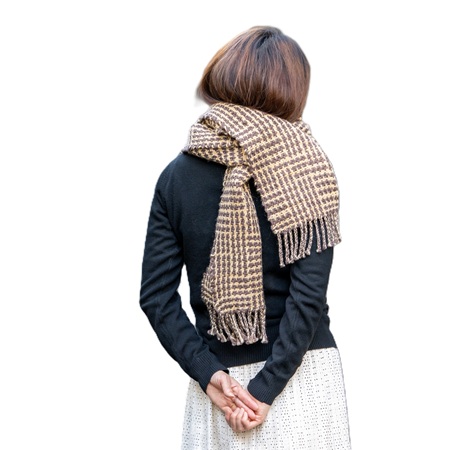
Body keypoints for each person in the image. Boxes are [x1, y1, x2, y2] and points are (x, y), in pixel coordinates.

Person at [140, 25, 351, 449]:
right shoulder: (308, 168)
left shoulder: (175, 177)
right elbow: (308, 297)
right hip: (302, 379)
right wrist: (264, 390)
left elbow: (156, 298)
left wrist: (209, 374)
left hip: (219, 391)